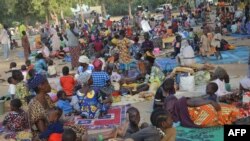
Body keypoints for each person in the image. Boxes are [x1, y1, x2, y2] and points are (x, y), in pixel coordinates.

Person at [27, 73, 86, 140]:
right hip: (45, 135)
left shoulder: (47, 97)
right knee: (74, 136)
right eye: (47, 83)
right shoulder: (34, 105)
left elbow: (55, 113)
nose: (49, 85)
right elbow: (43, 132)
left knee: (81, 129)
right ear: (41, 86)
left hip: (53, 127)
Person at [164, 83, 239, 128]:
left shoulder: (179, 106)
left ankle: (232, 115)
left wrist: (210, 103)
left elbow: (194, 101)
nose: (207, 90)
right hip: (207, 113)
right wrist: (209, 102)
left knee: (226, 110)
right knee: (225, 111)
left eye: (209, 88)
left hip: (209, 112)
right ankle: (232, 115)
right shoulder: (180, 103)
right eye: (207, 88)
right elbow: (194, 101)